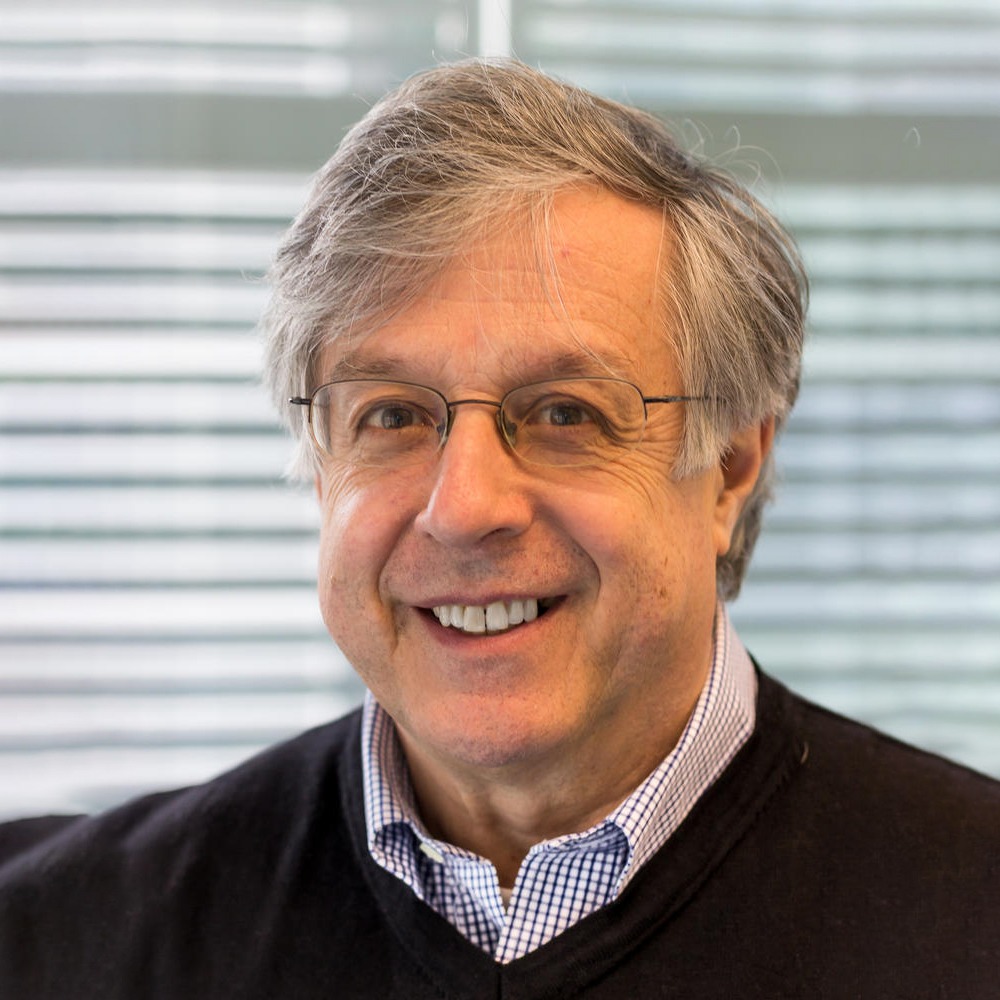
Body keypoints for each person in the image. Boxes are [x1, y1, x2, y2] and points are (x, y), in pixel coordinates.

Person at [1, 58, 997, 999]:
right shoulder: (62, 936)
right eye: (392, 414)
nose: (465, 507)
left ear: (730, 468)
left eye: (565, 412)